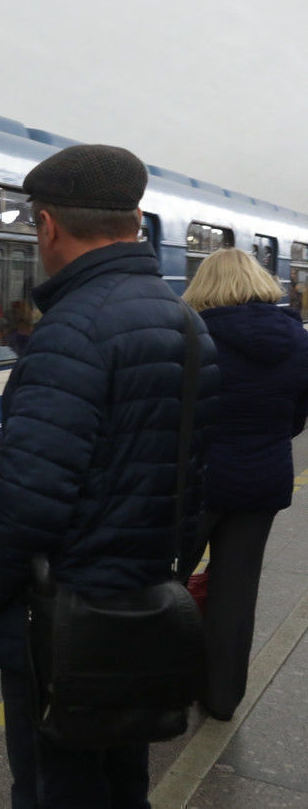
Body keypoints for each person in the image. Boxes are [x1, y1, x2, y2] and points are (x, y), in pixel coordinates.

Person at [0, 144, 218, 809]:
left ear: (47, 226)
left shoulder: (73, 332)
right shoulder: (186, 324)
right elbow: (195, 481)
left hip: (65, 625)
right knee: (122, 781)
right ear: (135, 220)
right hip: (142, 607)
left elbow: (24, 500)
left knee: (55, 786)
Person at [180, 248, 308, 720]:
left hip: (198, 483)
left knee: (165, 584)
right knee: (237, 592)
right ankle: (221, 698)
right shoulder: (296, 338)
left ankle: (156, 687)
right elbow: (298, 414)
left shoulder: (194, 335)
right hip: (262, 482)